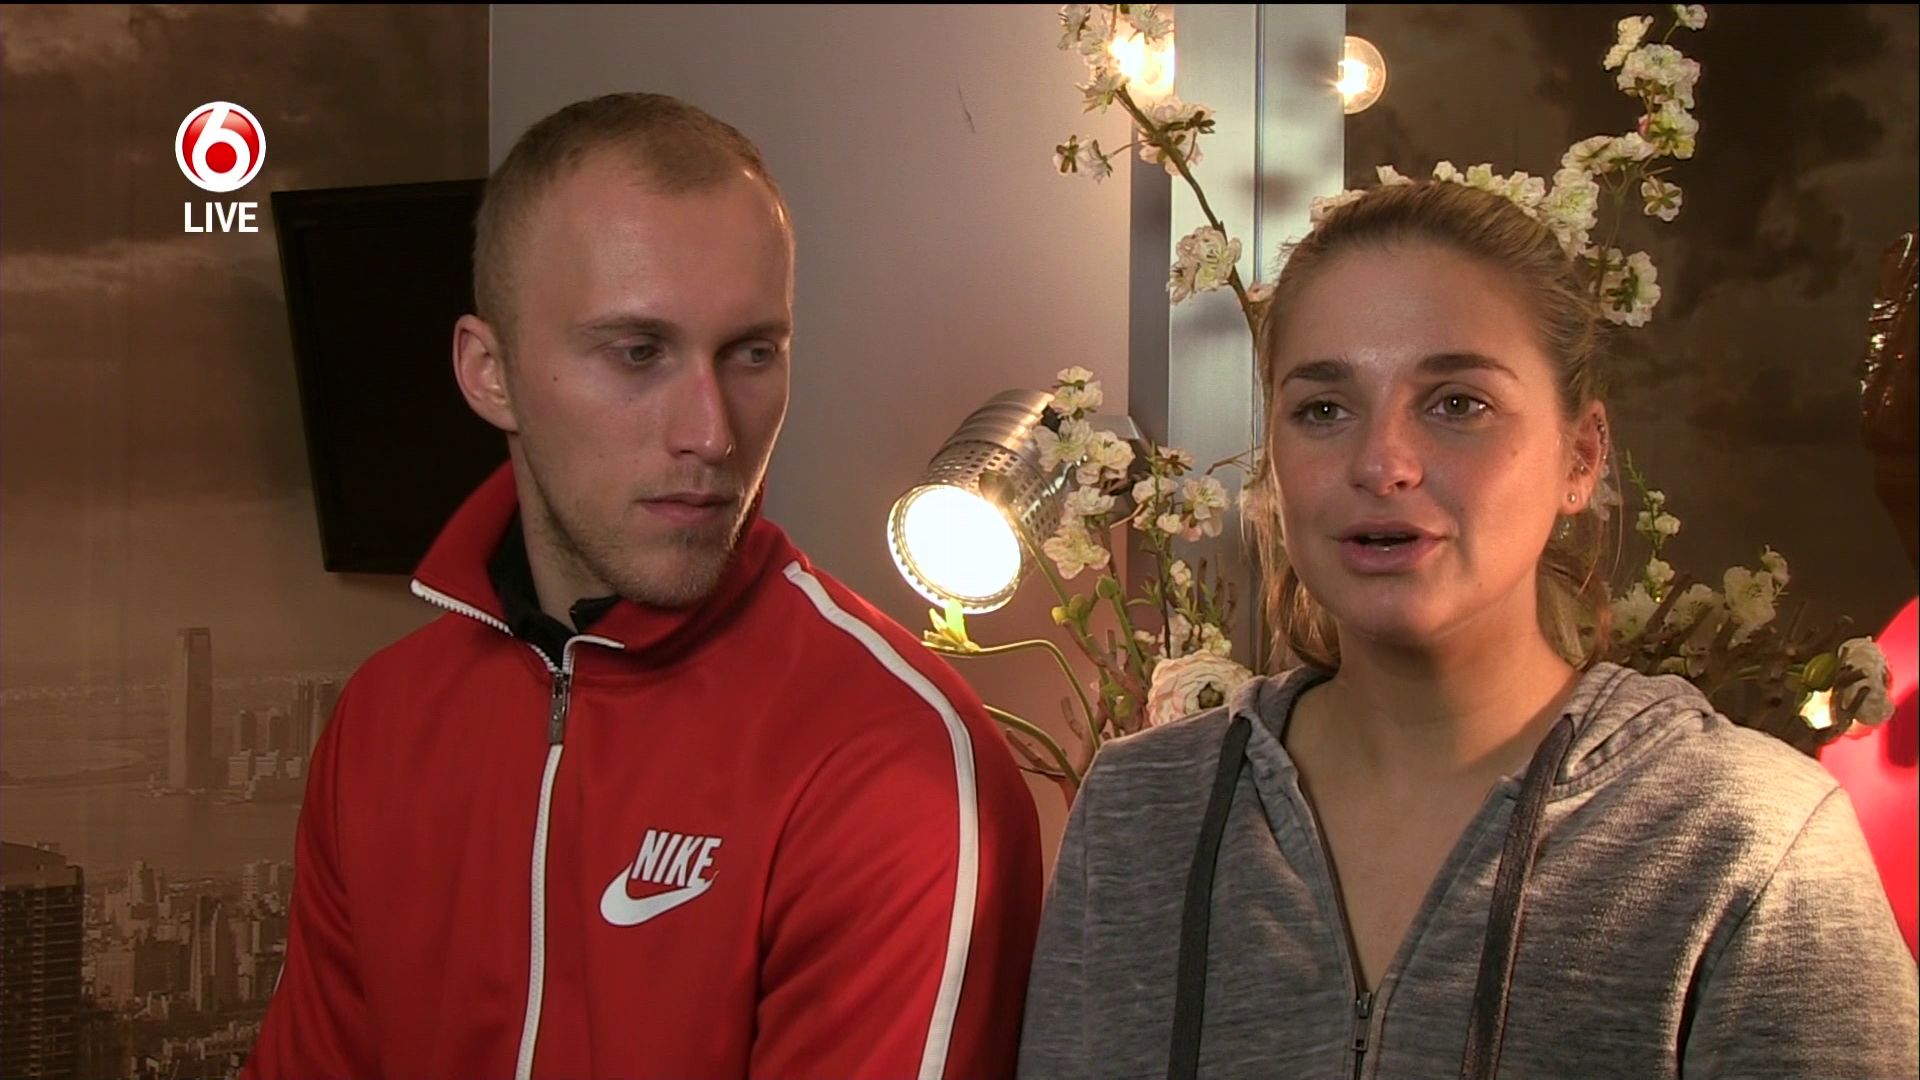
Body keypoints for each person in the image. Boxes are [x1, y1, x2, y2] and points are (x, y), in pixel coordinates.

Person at [1016, 181, 1919, 1079]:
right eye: (1323, 410)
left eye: (1457, 403)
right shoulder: (1141, 814)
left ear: (1581, 456)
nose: (1382, 464)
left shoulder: (1749, 842)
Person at [245, 92, 1043, 1080]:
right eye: (637, 352)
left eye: (751, 354)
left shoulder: (893, 761)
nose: (711, 433)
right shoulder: (383, 720)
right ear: (489, 372)